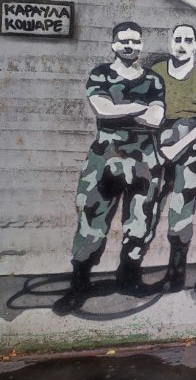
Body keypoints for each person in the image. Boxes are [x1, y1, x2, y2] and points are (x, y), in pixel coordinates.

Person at [53, 22, 165, 316]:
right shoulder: (100, 74)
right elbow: (102, 109)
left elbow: (156, 119)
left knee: (141, 220)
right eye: (124, 41)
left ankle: (130, 278)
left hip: (143, 158)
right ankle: (79, 285)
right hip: (105, 156)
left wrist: (123, 109)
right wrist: (139, 108)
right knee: (91, 218)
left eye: (135, 41)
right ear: (113, 44)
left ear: (141, 45)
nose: (130, 46)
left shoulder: (153, 79)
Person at [150, 24, 196, 293]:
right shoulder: (156, 72)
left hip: (188, 146)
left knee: (181, 210)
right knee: (146, 206)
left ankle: (175, 273)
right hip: (156, 141)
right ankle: (128, 270)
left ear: (195, 44)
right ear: (170, 42)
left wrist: (179, 145)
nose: (182, 44)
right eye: (177, 39)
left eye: (188, 40)